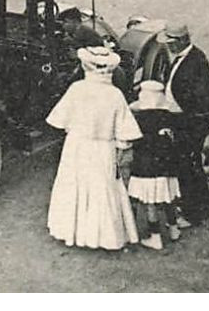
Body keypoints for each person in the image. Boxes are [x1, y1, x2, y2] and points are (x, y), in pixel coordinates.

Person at [45, 47, 143, 251]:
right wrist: (121, 147)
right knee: (103, 186)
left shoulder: (77, 89)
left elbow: (59, 120)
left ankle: (70, 231)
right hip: (103, 150)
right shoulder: (115, 94)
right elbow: (125, 131)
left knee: (75, 183)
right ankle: (104, 236)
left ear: (85, 66)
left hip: (77, 147)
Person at [156, 24, 209, 225]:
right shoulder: (183, 58)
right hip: (182, 120)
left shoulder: (195, 61)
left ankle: (194, 213)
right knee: (186, 165)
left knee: (189, 166)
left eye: (172, 43)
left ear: (182, 40)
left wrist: (183, 123)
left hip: (191, 123)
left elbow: (201, 101)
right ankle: (192, 205)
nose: (169, 47)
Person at [127, 81, 184, 250]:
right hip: (167, 167)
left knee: (150, 201)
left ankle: (155, 236)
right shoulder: (169, 116)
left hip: (146, 168)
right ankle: (174, 229)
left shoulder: (139, 118)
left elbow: (131, 140)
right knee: (168, 198)